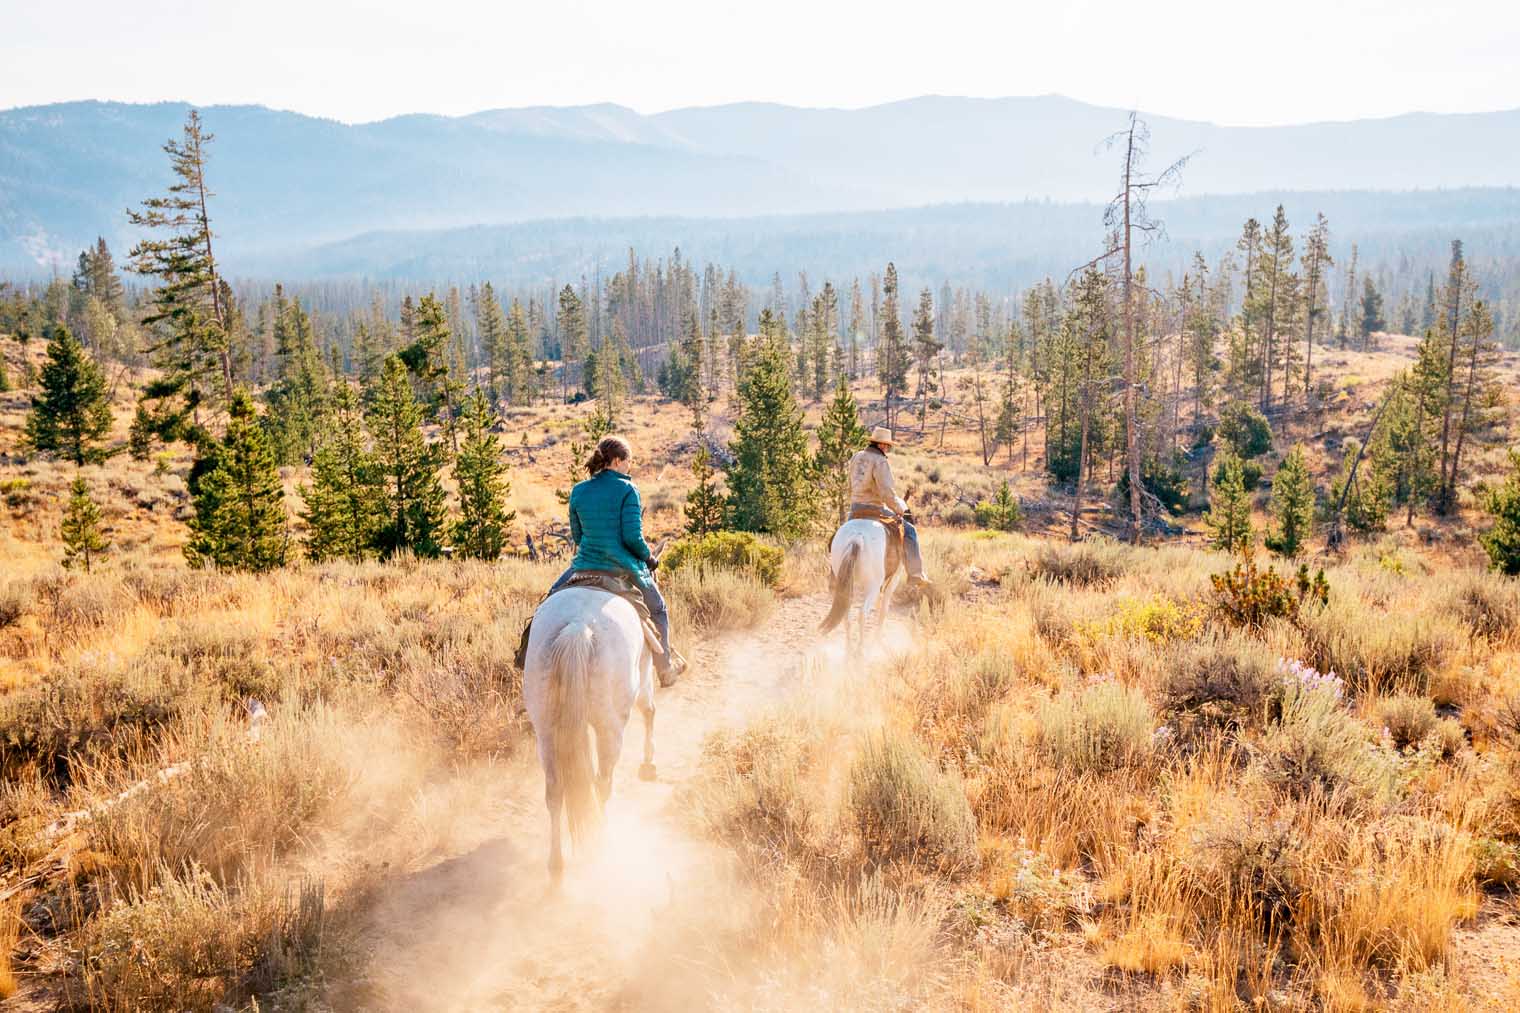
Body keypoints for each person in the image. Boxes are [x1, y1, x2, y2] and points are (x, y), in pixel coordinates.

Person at [519, 434, 687, 685]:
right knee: (659, 609)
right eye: (628, 461)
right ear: (617, 461)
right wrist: (649, 559)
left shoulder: (579, 490)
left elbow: (578, 536)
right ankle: (665, 670)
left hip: (583, 566)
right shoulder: (628, 489)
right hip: (621, 567)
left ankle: (525, 663)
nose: (630, 466)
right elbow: (632, 537)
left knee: (546, 605)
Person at [847, 426, 931, 590]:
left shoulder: (856, 457)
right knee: (910, 531)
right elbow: (887, 493)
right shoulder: (880, 461)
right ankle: (916, 574)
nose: (888, 449)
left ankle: (833, 576)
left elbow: (850, 483)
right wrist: (901, 508)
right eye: (887, 446)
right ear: (882, 445)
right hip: (874, 509)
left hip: (855, 508)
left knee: (840, 534)